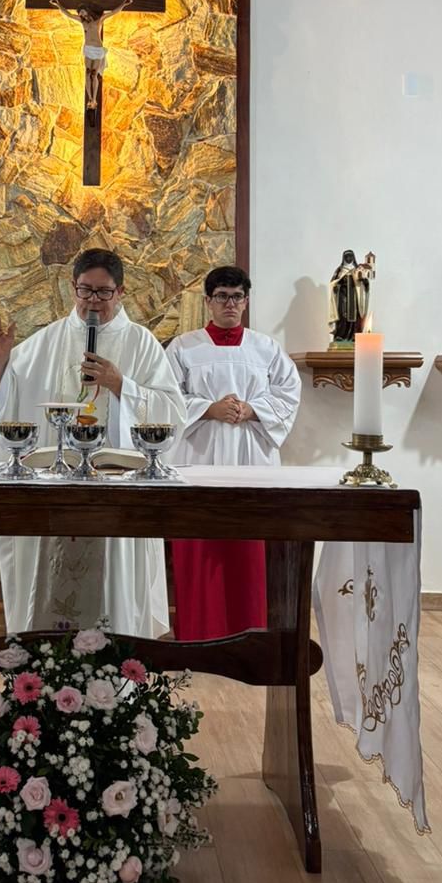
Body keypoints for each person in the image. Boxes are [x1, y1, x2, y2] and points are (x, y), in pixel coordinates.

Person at [0, 247, 186, 637]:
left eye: (103, 292)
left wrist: (120, 385)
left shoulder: (140, 342)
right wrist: (1, 363)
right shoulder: (48, 340)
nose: (93, 301)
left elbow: (172, 410)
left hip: (117, 486)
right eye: (85, 290)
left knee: (113, 581)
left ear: (120, 291)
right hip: (57, 486)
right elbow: (10, 398)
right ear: (72, 287)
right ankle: (46, 647)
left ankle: (120, 646)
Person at [165, 265, 301, 640]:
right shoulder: (183, 347)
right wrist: (209, 409)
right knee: (199, 545)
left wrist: (252, 410)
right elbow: (165, 397)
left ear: (246, 301)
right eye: (222, 296)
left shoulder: (266, 348)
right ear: (208, 301)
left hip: (251, 457)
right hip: (198, 455)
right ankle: (198, 632)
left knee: (249, 547)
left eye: (237, 296)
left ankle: (250, 634)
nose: (230, 303)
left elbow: (289, 394)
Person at [49, 0, 133, 110]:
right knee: (88, 73)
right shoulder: (82, 22)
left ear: (87, 10)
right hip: (88, 49)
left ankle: (94, 98)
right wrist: (58, 4)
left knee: (94, 74)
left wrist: (124, 4)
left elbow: (113, 12)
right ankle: (90, 99)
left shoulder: (99, 20)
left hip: (97, 50)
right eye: (79, 13)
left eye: (82, 11)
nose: (80, 14)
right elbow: (68, 14)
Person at [328, 249, 376, 344]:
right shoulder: (339, 270)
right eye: (347, 256)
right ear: (343, 258)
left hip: (354, 296)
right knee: (342, 315)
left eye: (350, 256)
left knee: (354, 317)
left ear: (353, 257)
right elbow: (333, 283)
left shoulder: (358, 269)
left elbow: (365, 284)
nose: (348, 258)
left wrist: (364, 281)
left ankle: (353, 336)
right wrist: (337, 285)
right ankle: (340, 336)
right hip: (342, 296)